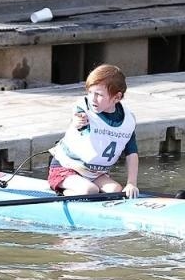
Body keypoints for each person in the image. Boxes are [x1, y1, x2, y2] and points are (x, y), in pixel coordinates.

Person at [48, 64, 140, 198]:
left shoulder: (127, 120)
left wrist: (131, 183)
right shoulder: (84, 109)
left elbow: (132, 153)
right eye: (90, 92)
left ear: (117, 97)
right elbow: (79, 122)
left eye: (99, 94)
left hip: (95, 173)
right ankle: (62, 191)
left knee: (116, 190)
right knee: (90, 190)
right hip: (66, 167)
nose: (92, 99)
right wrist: (77, 122)